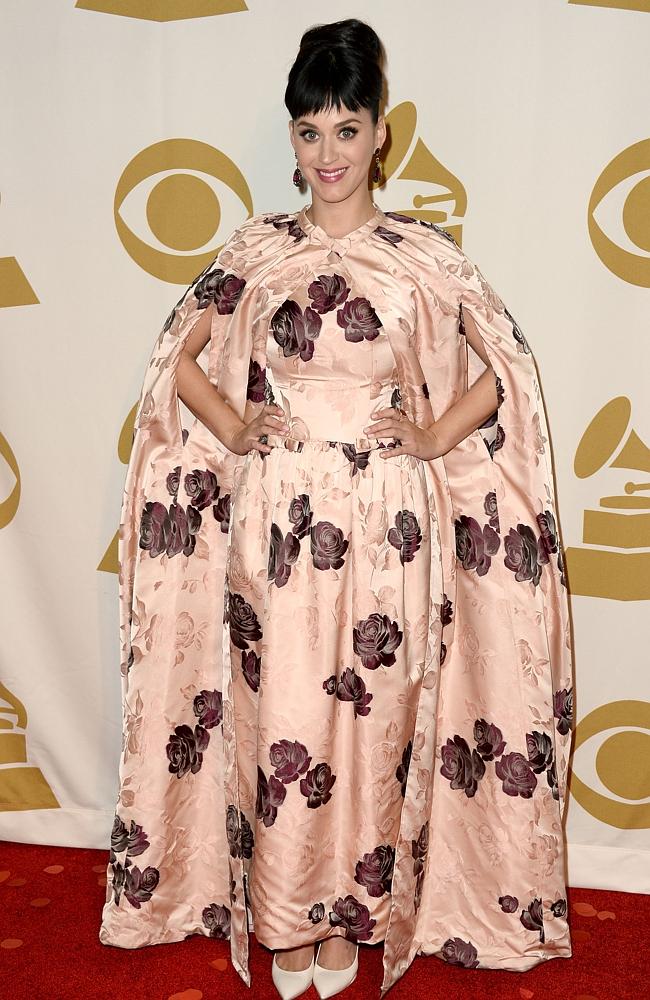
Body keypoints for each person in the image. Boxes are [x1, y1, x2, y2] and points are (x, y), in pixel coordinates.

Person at [99, 17, 574, 1000]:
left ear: (380, 134)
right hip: (276, 522)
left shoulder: (422, 258)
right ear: (293, 137)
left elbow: (507, 369)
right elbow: (172, 358)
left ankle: (353, 908)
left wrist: (439, 436)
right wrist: (232, 424)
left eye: (346, 129)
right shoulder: (254, 252)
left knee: (374, 719)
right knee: (284, 712)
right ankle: (284, 909)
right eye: (310, 131)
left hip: (389, 522)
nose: (328, 153)